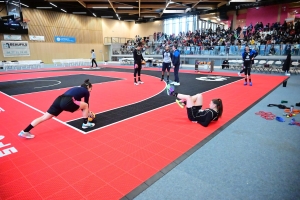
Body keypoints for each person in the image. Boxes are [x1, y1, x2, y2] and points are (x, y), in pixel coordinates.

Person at [18, 79, 95, 139]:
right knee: (85, 105)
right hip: (67, 101)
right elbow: (86, 104)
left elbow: (80, 105)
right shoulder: (86, 91)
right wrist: (89, 113)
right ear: (88, 87)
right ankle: (85, 124)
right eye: (91, 88)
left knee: (44, 117)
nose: (91, 90)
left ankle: (25, 131)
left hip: (59, 100)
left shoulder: (76, 89)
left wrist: (86, 112)